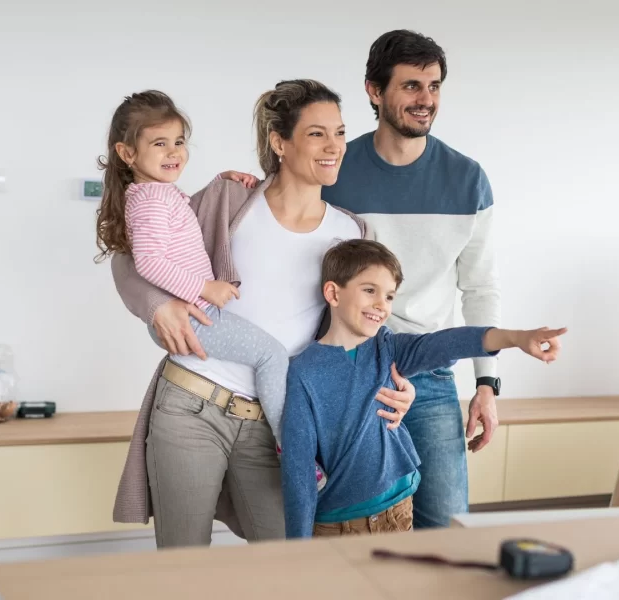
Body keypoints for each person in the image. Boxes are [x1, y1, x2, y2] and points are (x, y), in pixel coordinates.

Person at [106, 80, 416, 548]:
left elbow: (367, 330)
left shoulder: (352, 231)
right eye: (316, 134)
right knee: (183, 564)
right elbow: (132, 254)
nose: (335, 146)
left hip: (275, 425)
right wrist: (158, 307)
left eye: (339, 132)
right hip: (191, 406)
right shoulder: (229, 198)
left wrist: (396, 385)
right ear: (279, 142)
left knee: (286, 559)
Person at [95, 90, 326, 491]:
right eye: (159, 143)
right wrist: (203, 287)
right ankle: (294, 450)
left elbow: (184, 221)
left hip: (196, 312)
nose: (173, 152)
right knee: (270, 354)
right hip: (195, 314)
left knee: (267, 354)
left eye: (179, 142)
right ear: (127, 153)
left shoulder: (158, 194)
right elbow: (149, 262)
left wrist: (219, 184)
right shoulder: (149, 200)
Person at [321, 30, 502, 529]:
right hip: (348, 370)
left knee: (445, 528)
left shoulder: (468, 180)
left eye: (434, 86)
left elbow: (480, 287)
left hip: (429, 374)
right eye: (411, 86)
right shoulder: (334, 170)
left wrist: (486, 386)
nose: (426, 100)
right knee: (346, 530)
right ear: (374, 91)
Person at [281, 239, 566, 538]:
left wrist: (515, 338)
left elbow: (446, 344)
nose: (382, 305)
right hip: (338, 525)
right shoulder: (304, 371)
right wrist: (297, 548)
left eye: (389, 296)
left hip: (400, 509)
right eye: (370, 290)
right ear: (333, 293)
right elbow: (298, 469)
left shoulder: (388, 347)